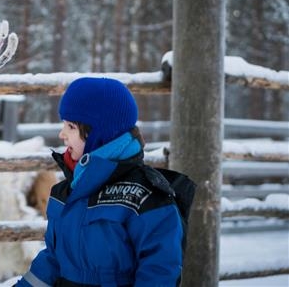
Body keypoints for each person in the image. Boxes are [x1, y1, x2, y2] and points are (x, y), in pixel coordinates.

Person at [17, 77, 186, 287]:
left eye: (70, 126)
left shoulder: (145, 197)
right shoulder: (66, 191)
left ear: (98, 133)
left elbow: (159, 272)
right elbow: (53, 260)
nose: (62, 134)